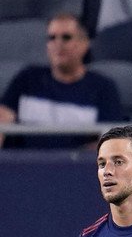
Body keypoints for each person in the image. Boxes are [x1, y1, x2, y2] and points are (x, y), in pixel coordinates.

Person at [0, 14, 124, 150]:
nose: (58, 44)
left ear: (84, 44)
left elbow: (111, 144)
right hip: (22, 167)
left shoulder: (103, 88)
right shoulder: (27, 78)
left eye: (66, 37)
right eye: (52, 38)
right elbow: (3, 119)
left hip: (77, 168)